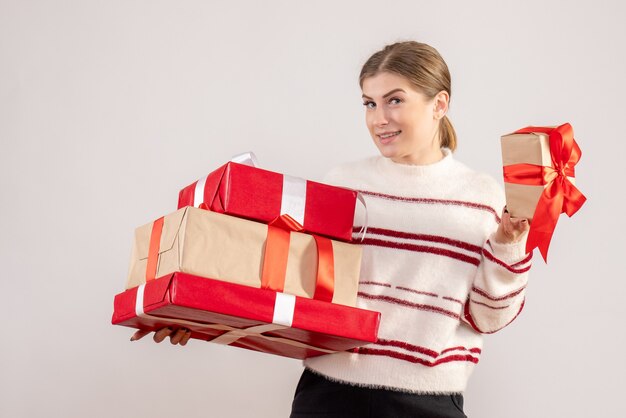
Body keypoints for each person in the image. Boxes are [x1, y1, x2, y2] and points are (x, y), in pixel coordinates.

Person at [133, 41, 531, 418]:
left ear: (439, 103)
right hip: (330, 395)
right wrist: (192, 313)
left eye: (395, 100)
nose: (379, 119)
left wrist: (508, 244)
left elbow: (488, 318)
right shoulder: (344, 184)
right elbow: (293, 285)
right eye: (369, 103)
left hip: (428, 403)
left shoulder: (481, 197)